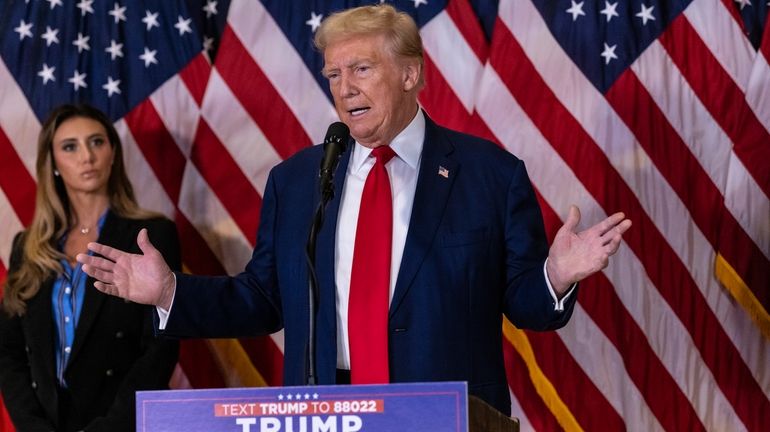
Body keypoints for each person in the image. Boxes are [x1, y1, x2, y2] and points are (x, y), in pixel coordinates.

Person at [77, 5, 631, 416]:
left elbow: (526, 304)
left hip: (446, 414)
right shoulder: (298, 181)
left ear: (411, 73)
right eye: (334, 75)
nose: (345, 89)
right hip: (326, 412)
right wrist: (170, 292)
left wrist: (555, 275)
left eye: (361, 70)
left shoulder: (489, 175)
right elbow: (264, 298)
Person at [0, 104, 181, 431]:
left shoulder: (151, 236)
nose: (87, 156)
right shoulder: (27, 247)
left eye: (97, 142)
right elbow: (9, 352)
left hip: (124, 424)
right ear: (52, 163)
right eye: (70, 146)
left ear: (113, 152)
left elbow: (160, 348)